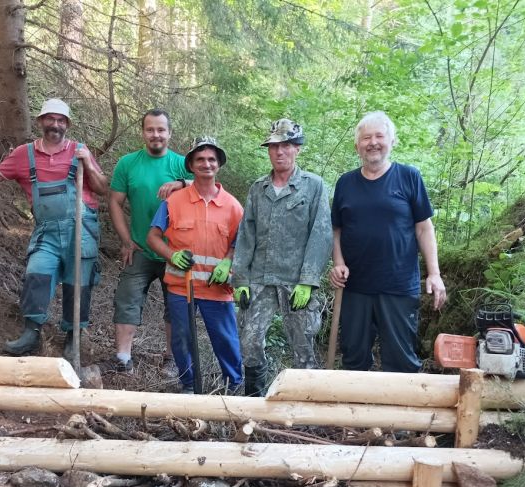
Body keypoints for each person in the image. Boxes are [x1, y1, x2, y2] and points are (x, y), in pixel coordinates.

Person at [0, 98, 107, 358]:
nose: (55, 124)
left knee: (79, 284)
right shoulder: (24, 154)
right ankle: (32, 332)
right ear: (41, 121)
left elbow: (102, 188)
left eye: (61, 120)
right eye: (50, 119)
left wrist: (87, 162)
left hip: (81, 228)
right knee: (37, 272)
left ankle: (73, 337)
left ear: (67, 124)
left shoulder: (80, 150)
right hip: (47, 231)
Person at [329, 111, 446, 372]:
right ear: (357, 145)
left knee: (401, 360)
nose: (373, 142)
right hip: (355, 287)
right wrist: (338, 262)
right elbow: (336, 229)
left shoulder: (409, 177)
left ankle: (403, 411)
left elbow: (424, 228)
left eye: (379, 136)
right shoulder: (345, 183)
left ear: (392, 141)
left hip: (398, 285)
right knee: (353, 359)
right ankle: (356, 409)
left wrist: (434, 273)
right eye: (366, 138)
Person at [231, 119, 333, 396]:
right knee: (249, 341)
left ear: (297, 149)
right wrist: (240, 278)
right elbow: (246, 233)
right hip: (260, 281)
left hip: (295, 281)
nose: (279, 152)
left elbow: (321, 234)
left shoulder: (313, 186)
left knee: (304, 347)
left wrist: (309, 280)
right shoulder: (258, 188)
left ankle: (306, 403)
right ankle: (254, 399)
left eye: (286, 145)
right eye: (274, 146)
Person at [146, 137, 244, 393]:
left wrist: (228, 262)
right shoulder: (174, 202)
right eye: (200, 159)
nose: (206, 164)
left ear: (219, 164)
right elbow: (153, 237)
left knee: (226, 340)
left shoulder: (233, 207)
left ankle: (233, 386)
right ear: (191, 164)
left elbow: (240, 243)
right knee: (181, 339)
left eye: (212, 159)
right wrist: (171, 255)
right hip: (182, 286)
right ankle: (188, 385)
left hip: (217, 289)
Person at [106, 109, 192, 373]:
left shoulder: (181, 163)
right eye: (150, 129)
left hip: (174, 251)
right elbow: (115, 202)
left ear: (169, 133)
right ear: (143, 132)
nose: (156, 135)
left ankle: (172, 359)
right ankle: (122, 358)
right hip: (141, 248)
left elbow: (205, 186)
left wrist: (181, 183)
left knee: (175, 305)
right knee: (127, 298)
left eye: (161, 130)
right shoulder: (128, 163)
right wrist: (126, 240)